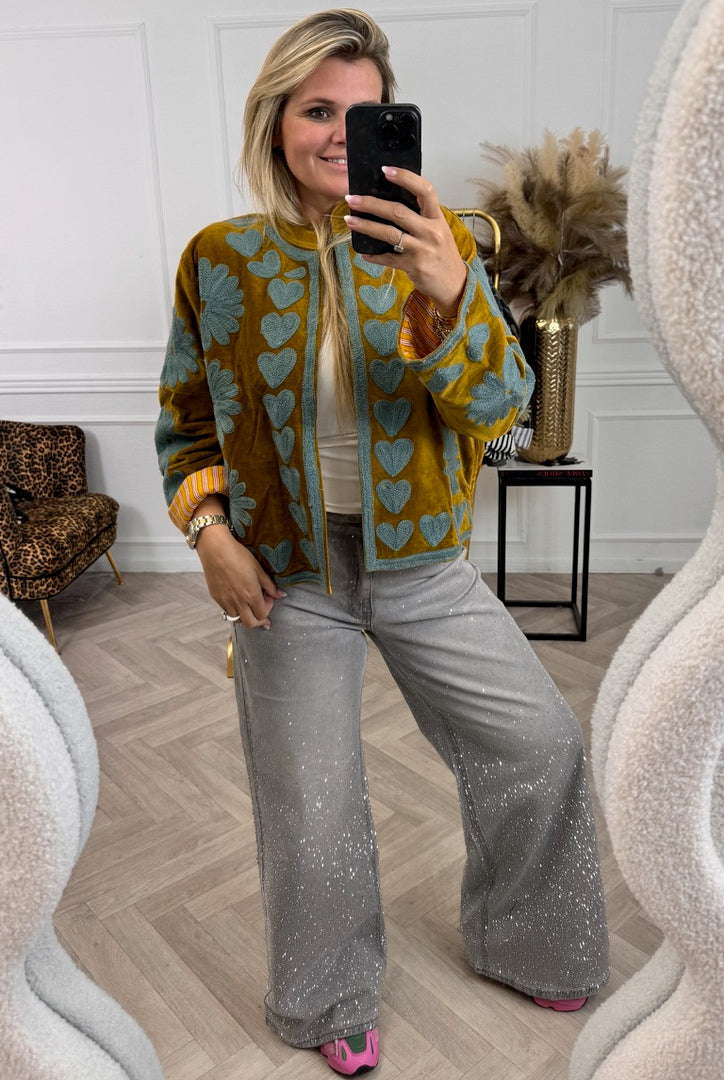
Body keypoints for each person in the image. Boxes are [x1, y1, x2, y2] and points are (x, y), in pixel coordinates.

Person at [156, 8, 609, 1075]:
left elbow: (500, 412)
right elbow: (187, 423)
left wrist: (449, 291)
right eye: (318, 111)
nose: (338, 135)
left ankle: (526, 939)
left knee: (540, 743)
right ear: (276, 123)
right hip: (287, 574)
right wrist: (208, 531)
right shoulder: (219, 260)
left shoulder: (439, 243)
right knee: (311, 806)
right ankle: (328, 997)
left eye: (364, 115)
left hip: (425, 566)